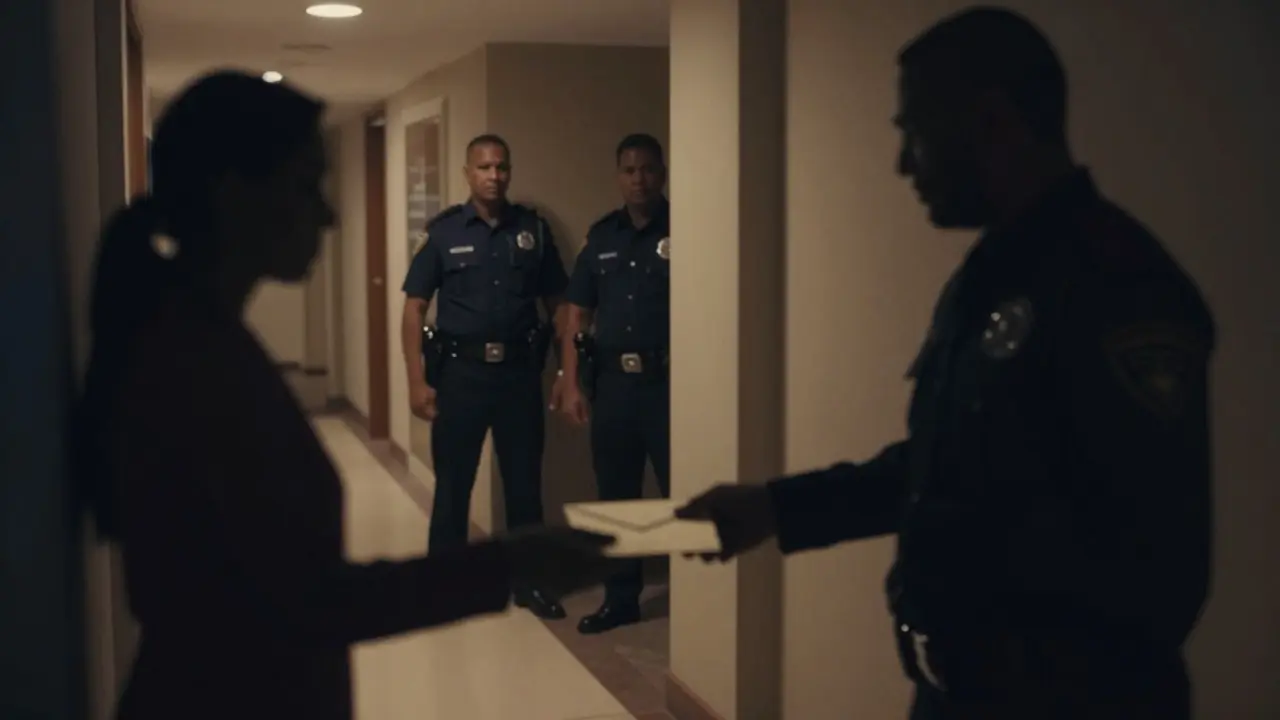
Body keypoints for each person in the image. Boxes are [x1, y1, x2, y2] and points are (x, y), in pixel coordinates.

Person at [678, 8, 1214, 720]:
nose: (903, 163)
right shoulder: (992, 274)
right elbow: (940, 468)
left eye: (914, 133)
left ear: (992, 121)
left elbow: (1153, 567)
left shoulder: (1117, 285)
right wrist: (773, 508)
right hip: (954, 694)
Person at [73, 71, 615, 720]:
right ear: (233, 191)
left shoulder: (210, 341)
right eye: (307, 186)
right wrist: (498, 568)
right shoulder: (191, 366)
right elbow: (291, 604)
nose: (328, 213)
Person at [401, 134, 570, 619]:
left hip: (519, 375)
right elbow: (413, 309)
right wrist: (416, 379)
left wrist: (565, 370)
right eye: (484, 167)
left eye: (501, 167)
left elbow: (559, 306)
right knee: (454, 484)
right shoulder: (444, 234)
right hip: (461, 376)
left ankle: (530, 584)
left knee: (524, 485)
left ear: (509, 171)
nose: (493, 176)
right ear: (467, 173)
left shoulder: (533, 232)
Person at [554, 133, 671, 634]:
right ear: (618, 176)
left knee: (682, 495)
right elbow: (576, 313)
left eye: (647, 169)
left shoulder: (688, 227)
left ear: (662, 172)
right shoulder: (602, 236)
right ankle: (621, 598)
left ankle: (703, 603)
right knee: (617, 496)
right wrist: (571, 381)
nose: (638, 179)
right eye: (629, 170)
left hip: (671, 386)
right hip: (615, 388)